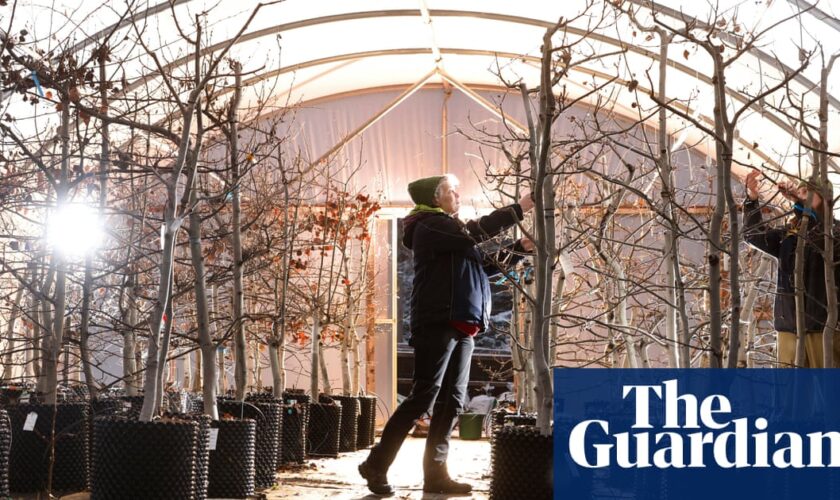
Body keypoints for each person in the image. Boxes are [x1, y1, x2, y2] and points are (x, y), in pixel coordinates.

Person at [358, 174, 534, 495]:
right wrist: (519, 208)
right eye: (452, 191)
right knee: (424, 396)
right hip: (438, 322)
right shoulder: (427, 226)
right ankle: (376, 465)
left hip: (463, 324)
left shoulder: (453, 234)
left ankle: (436, 474)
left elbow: (485, 265)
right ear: (436, 198)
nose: (458, 194)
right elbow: (474, 232)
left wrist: (520, 247)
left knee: (452, 401)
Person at [743, 169, 840, 367]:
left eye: (807, 193)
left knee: (826, 393)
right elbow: (754, 236)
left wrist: (799, 206)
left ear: (825, 199)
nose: (801, 196)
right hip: (788, 328)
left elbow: (820, 232)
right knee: (789, 394)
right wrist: (752, 199)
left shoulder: (835, 233)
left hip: (823, 329)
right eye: (801, 192)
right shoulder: (790, 234)